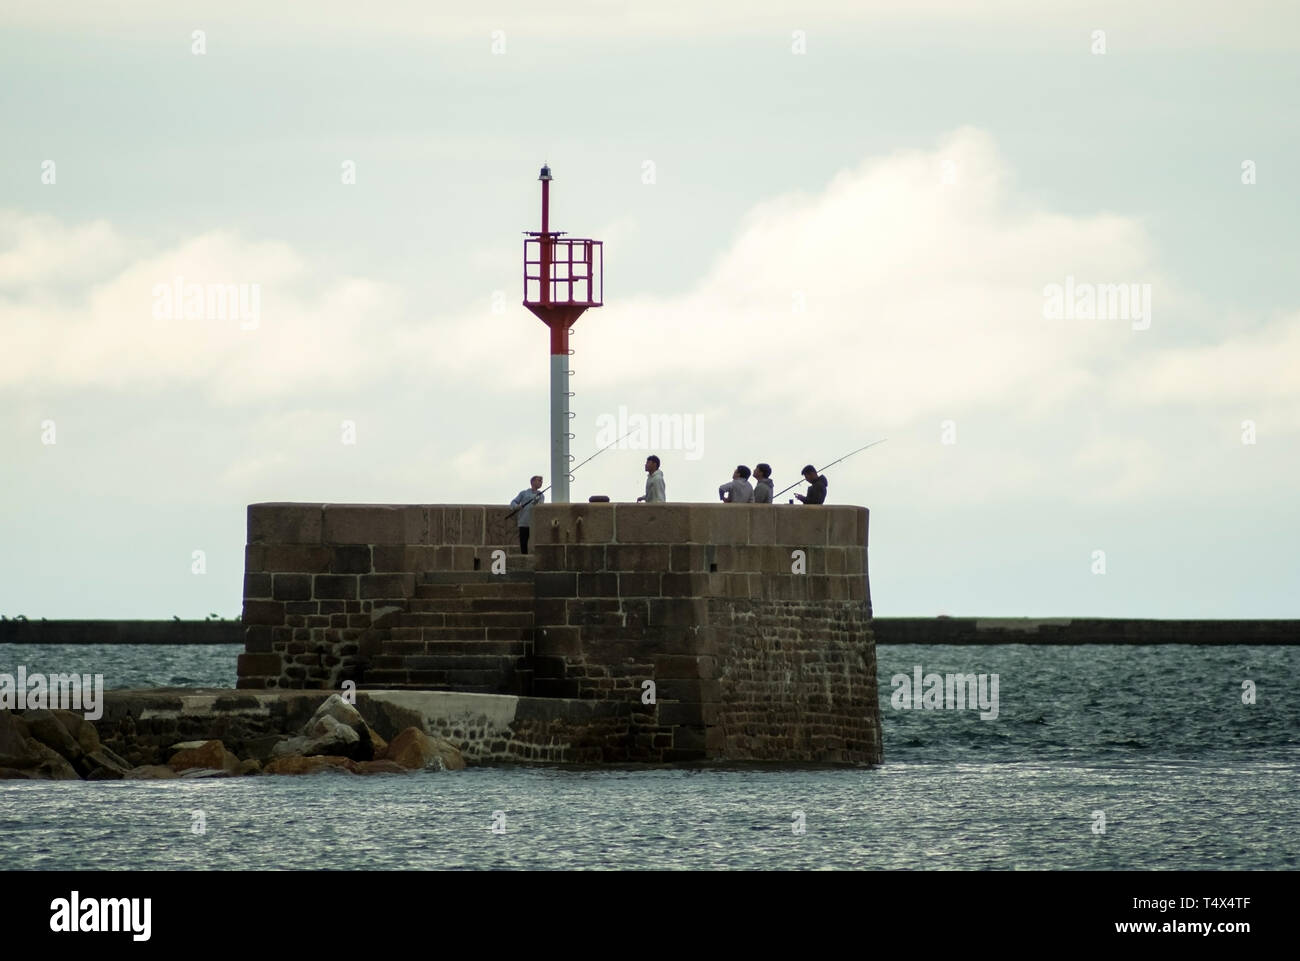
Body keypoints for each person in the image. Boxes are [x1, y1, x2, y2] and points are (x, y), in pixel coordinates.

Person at [510, 475, 544, 553]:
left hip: (534, 523)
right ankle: (524, 556)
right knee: (523, 542)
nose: (541, 482)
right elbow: (513, 502)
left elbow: (540, 506)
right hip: (523, 522)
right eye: (539, 480)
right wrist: (517, 507)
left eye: (541, 481)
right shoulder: (523, 493)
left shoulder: (541, 495)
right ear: (532, 482)